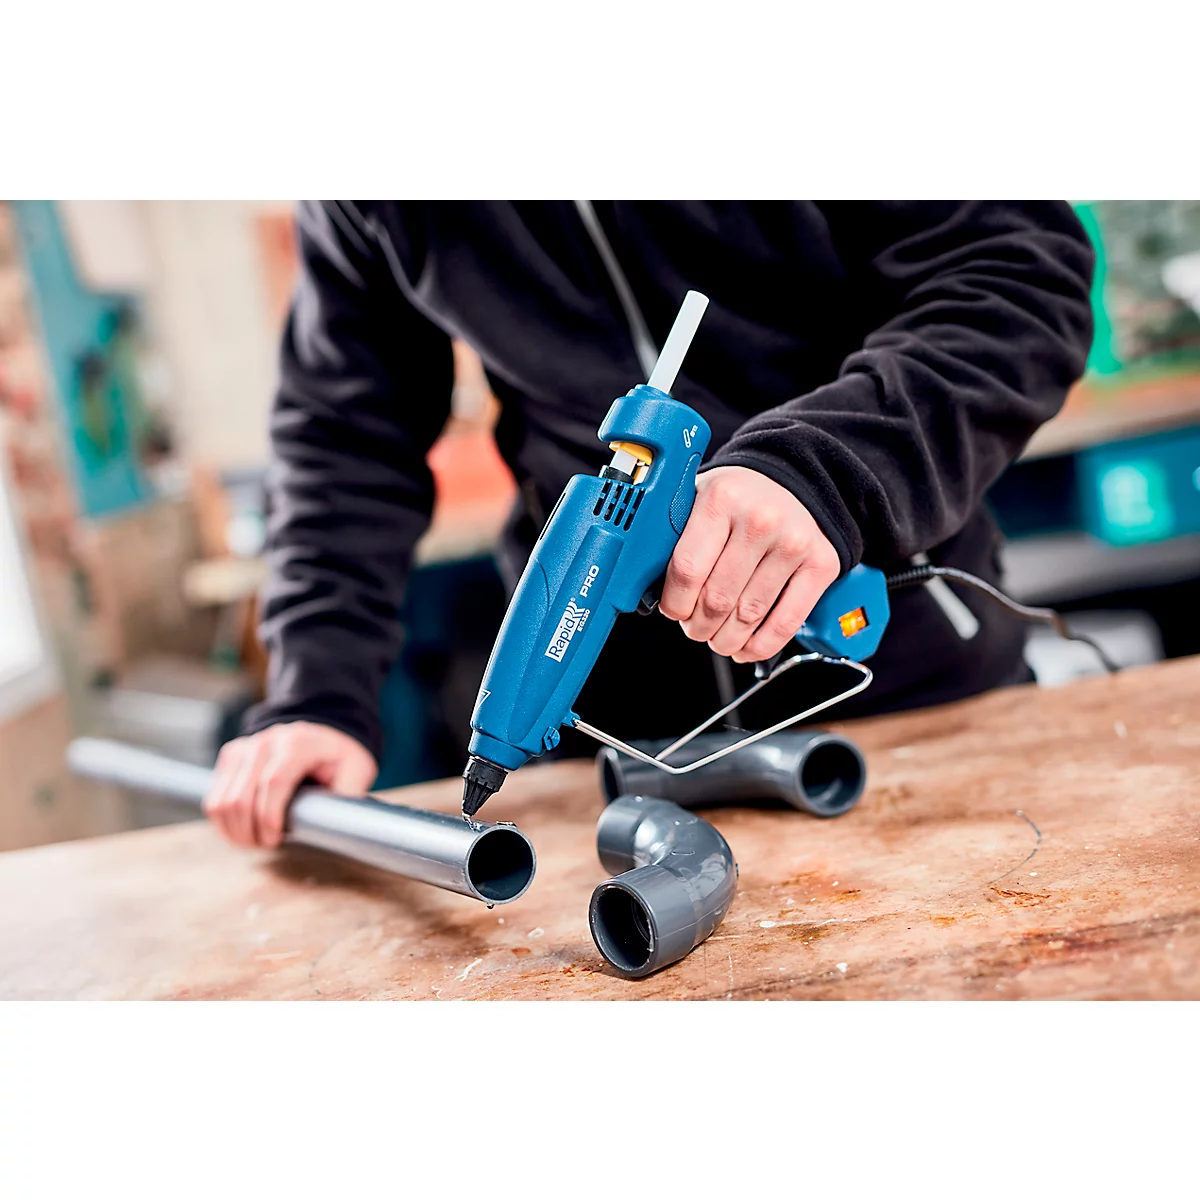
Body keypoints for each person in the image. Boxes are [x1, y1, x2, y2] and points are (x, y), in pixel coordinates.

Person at [203, 201, 1094, 848]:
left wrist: (824, 473)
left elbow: (1014, 277)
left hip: (905, 691)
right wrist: (317, 694)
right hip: (618, 747)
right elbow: (345, 440)